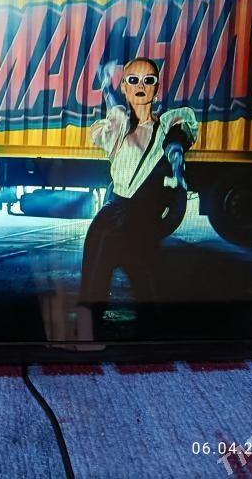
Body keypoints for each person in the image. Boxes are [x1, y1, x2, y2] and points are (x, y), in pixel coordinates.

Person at [79, 57, 198, 336]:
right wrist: (105, 84)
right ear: (124, 87)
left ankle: (152, 344)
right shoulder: (118, 124)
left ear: (157, 87)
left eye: (148, 80)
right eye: (133, 80)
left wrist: (176, 159)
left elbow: (177, 140)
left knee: (150, 288)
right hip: (111, 218)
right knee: (94, 286)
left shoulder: (168, 124)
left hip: (142, 221)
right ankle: (86, 339)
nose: (141, 86)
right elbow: (114, 109)